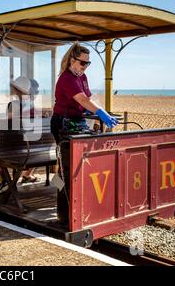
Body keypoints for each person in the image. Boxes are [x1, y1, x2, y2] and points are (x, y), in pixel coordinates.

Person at [52, 42, 119, 224]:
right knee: (66, 168)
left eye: (88, 63)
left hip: (77, 122)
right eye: (83, 63)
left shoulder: (82, 77)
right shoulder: (66, 78)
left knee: (79, 165)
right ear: (72, 61)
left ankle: (79, 204)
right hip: (63, 124)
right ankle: (63, 211)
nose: (85, 67)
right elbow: (80, 98)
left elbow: (87, 99)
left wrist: (97, 110)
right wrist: (100, 112)